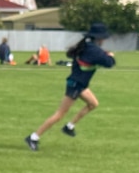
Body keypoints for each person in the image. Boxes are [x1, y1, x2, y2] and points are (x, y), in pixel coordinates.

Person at [24, 23, 116, 151]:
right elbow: (109, 63)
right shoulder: (93, 50)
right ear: (99, 38)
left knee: (93, 104)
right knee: (59, 114)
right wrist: (110, 56)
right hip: (75, 85)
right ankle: (33, 137)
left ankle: (69, 126)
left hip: (81, 84)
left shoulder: (88, 46)